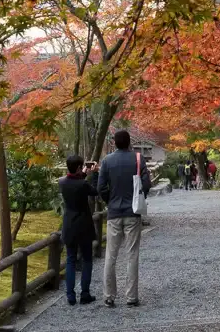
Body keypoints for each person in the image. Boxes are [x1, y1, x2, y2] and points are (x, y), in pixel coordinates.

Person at [97, 130, 151, 307]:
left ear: (114, 142)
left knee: (110, 255)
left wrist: (109, 200)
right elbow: (146, 183)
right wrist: (139, 196)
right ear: (129, 142)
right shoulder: (137, 159)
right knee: (132, 254)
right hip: (132, 212)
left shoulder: (107, 161)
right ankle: (131, 296)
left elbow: (101, 187)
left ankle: (109, 296)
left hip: (114, 212)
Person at [58, 155, 98, 306]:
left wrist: (83, 174)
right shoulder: (83, 184)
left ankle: (70, 295)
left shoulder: (62, 182)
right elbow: (95, 191)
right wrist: (94, 174)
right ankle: (85, 293)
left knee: (70, 259)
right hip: (84, 225)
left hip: (69, 224)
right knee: (87, 259)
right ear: (78, 167)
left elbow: (73, 180)